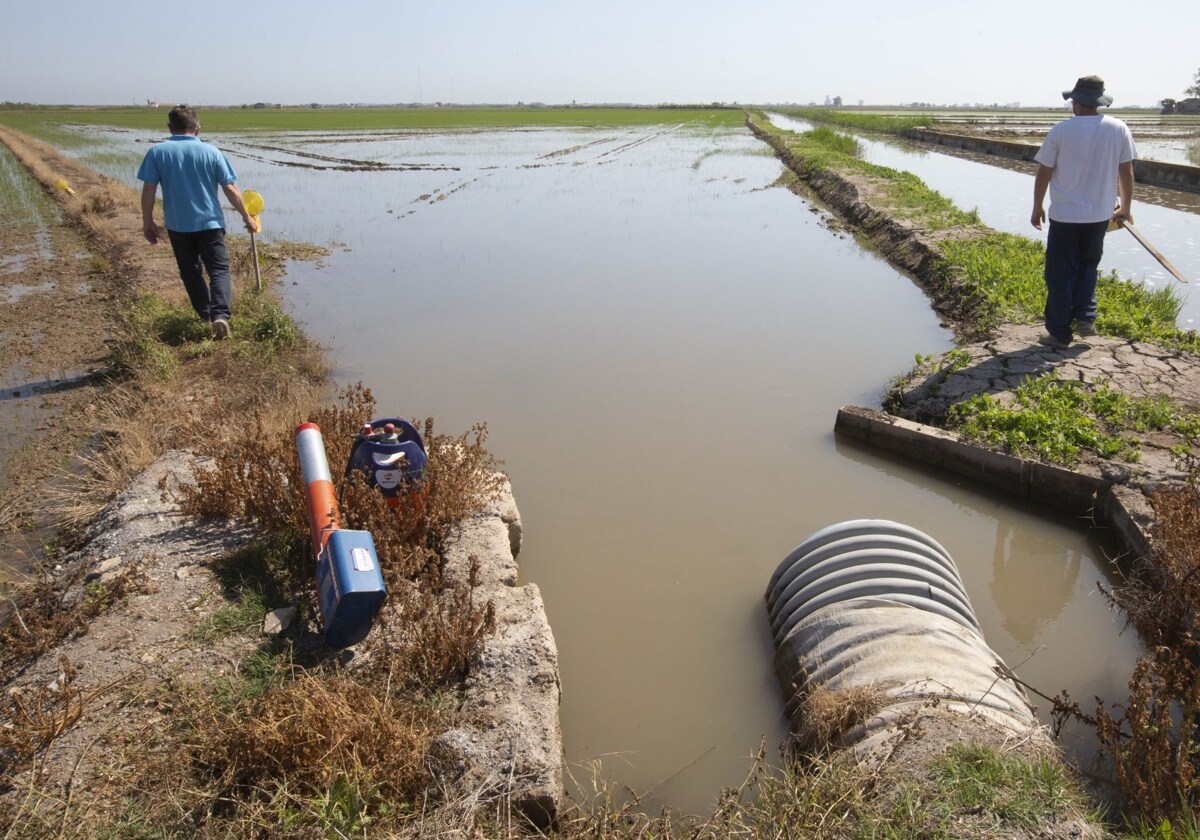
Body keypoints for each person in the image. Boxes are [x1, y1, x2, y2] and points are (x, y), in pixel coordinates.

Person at [1030, 75, 1136, 350]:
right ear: (1098, 102)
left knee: (1060, 274)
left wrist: (1037, 205)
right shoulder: (1118, 128)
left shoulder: (1062, 131)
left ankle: (1059, 333)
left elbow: (1044, 171)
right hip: (1099, 216)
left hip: (1065, 216)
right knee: (1088, 267)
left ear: (1076, 102)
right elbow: (1126, 172)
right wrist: (1125, 208)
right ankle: (1086, 320)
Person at [137, 105, 259, 339]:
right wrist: (247, 217)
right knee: (219, 270)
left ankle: (206, 315)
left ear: (170, 128)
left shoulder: (157, 152)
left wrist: (148, 221)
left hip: (178, 225)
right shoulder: (211, 152)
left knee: (190, 272)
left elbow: (149, 189)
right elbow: (230, 188)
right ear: (198, 128)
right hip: (210, 224)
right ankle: (220, 316)